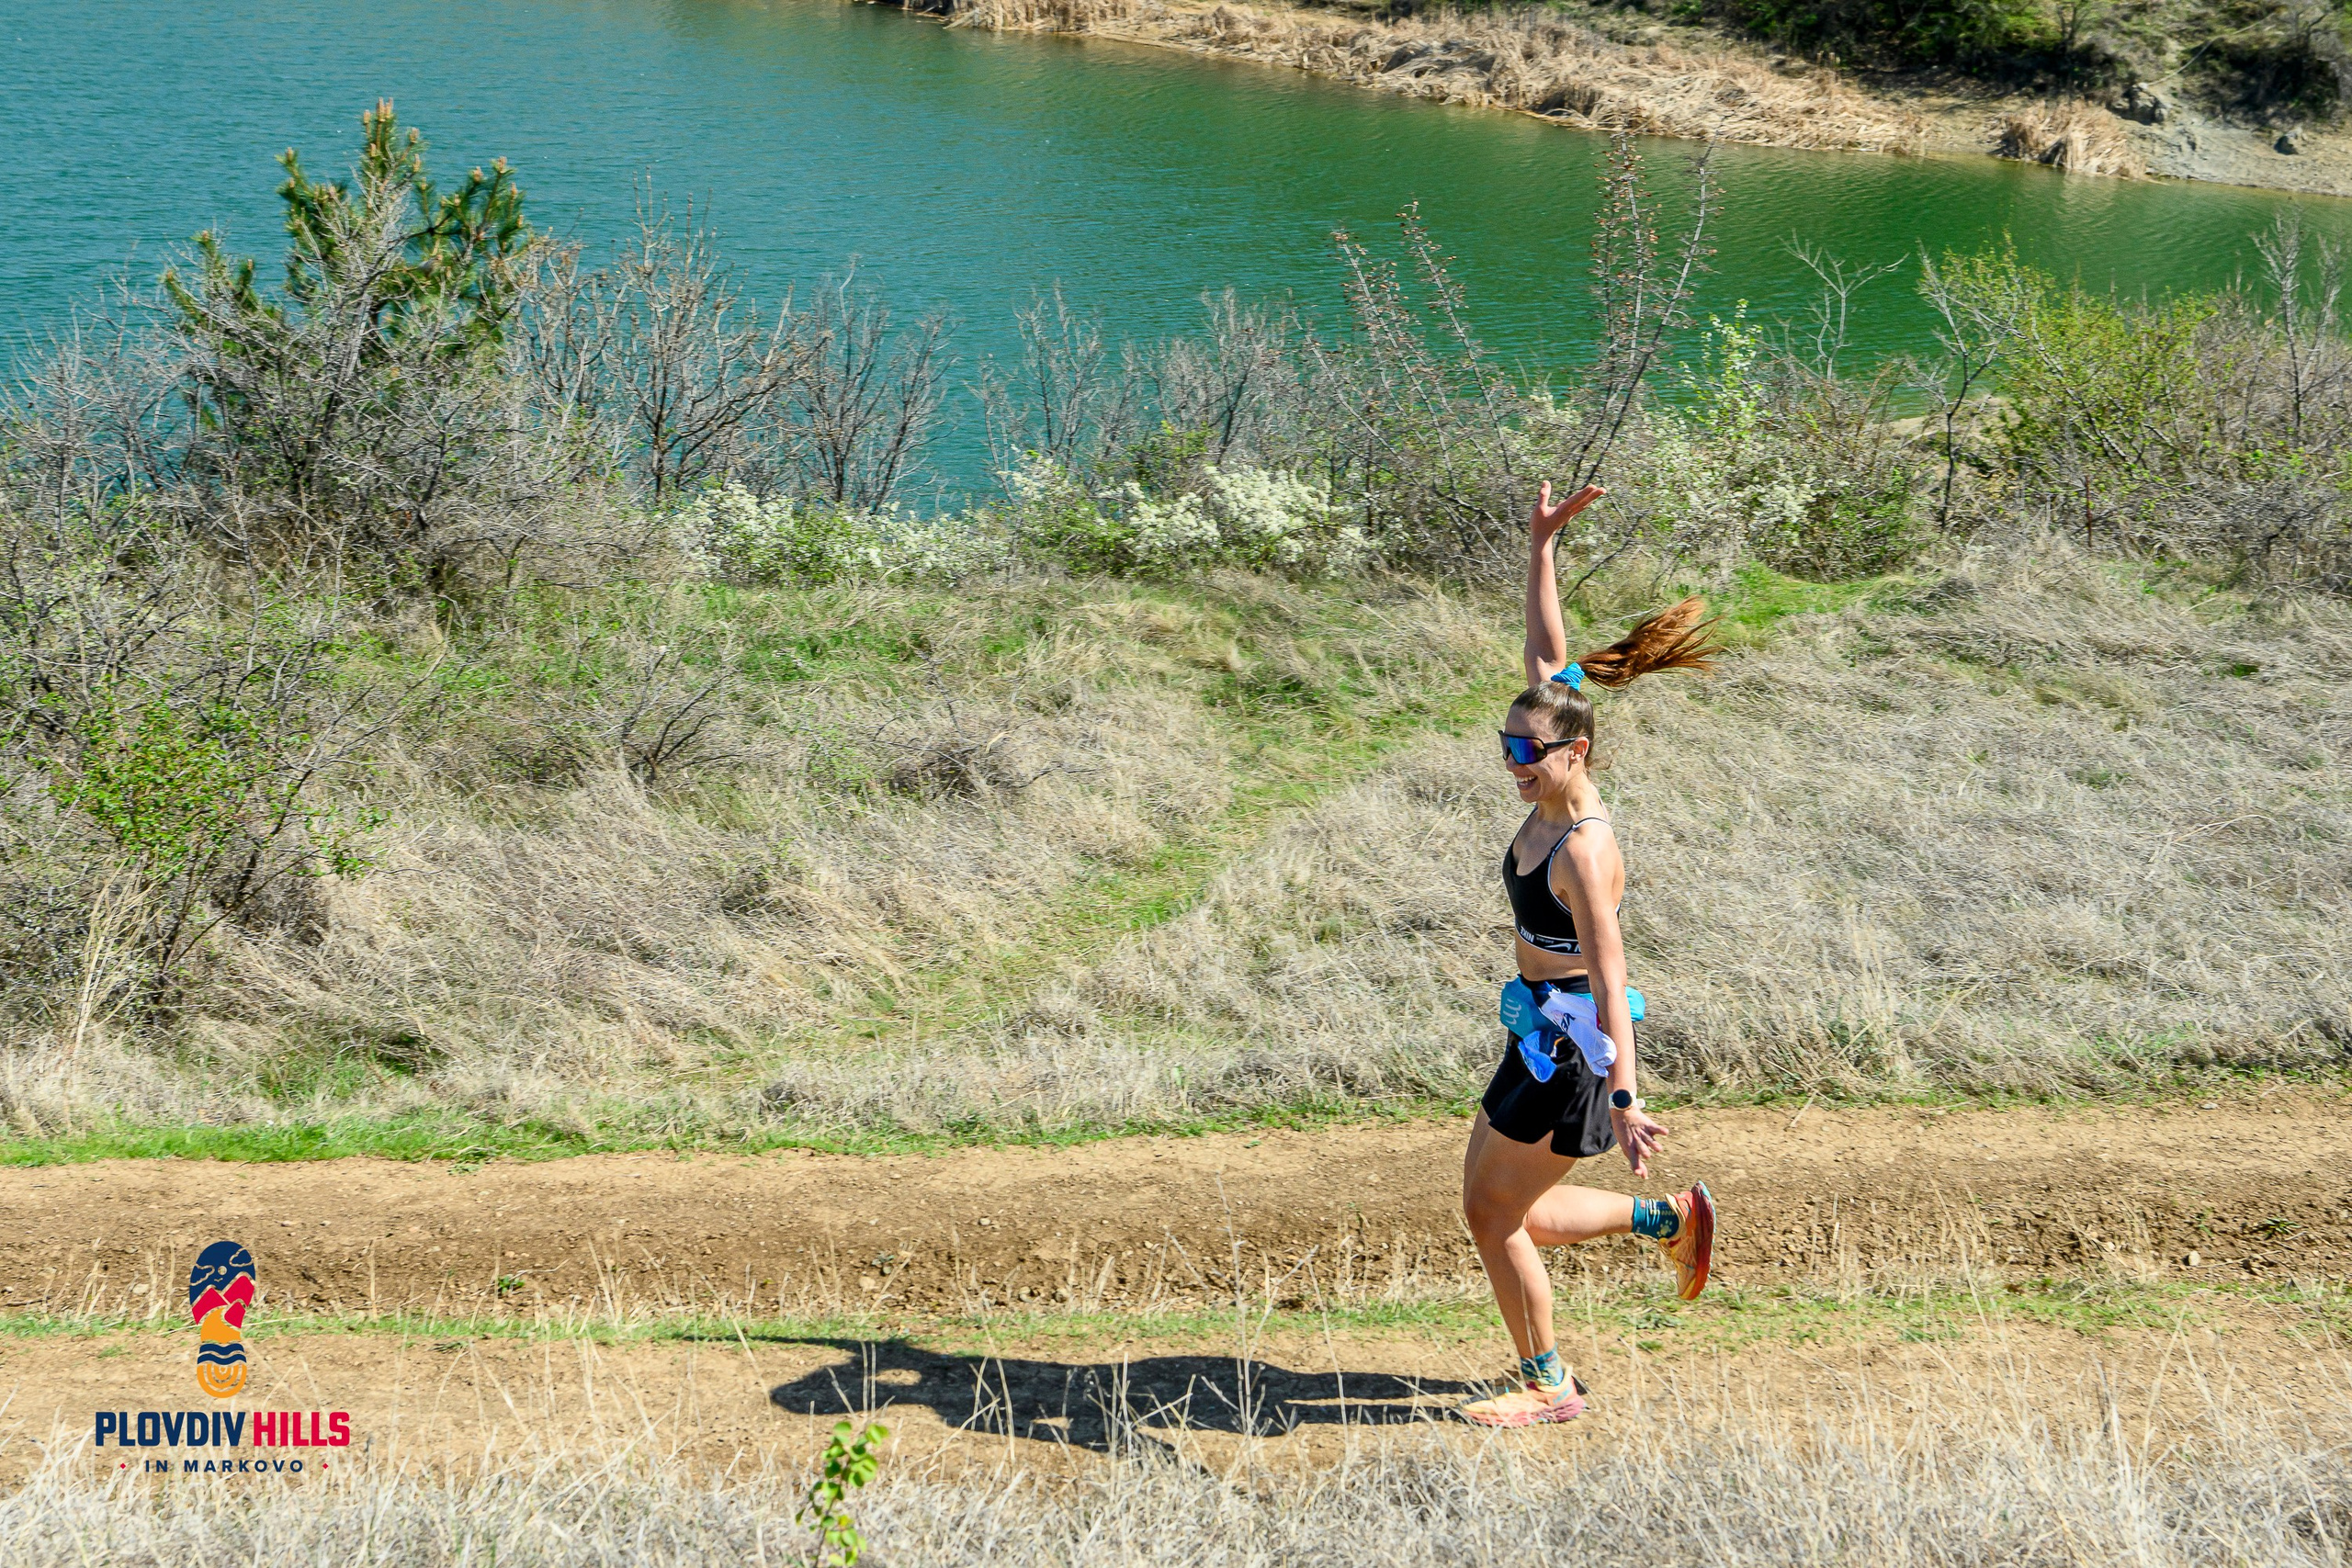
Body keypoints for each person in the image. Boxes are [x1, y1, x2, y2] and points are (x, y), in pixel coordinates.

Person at [1457, 480, 1721, 1428]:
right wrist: (1539, 547)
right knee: (1494, 1212)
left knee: (1494, 1220)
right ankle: (1667, 1222)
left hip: (1576, 1051)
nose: (1512, 761)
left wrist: (1626, 1094)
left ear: (1573, 755)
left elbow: (1613, 974)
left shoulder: (1584, 846)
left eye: (1524, 750)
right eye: (1505, 744)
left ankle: (1548, 1383)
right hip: (1536, 1033)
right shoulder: (1548, 785)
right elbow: (1547, 656)